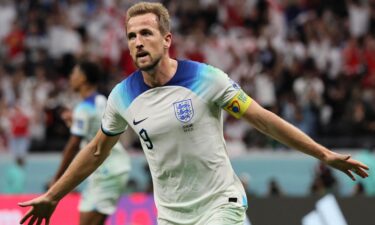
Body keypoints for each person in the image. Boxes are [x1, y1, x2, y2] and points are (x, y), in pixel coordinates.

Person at [19, 2, 369, 225]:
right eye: (131, 36)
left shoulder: (206, 79)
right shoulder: (122, 96)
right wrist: (54, 195)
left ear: (167, 39)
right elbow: (96, 150)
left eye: (146, 33)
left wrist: (323, 154)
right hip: (171, 215)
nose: (138, 42)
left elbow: (263, 120)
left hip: (221, 205)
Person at [47, 61, 131, 225]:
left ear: (83, 78)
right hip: (115, 166)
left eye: (74, 74)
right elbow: (97, 129)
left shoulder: (83, 109)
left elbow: (71, 147)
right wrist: (74, 121)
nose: (71, 77)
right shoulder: (100, 99)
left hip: (107, 172)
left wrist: (56, 180)